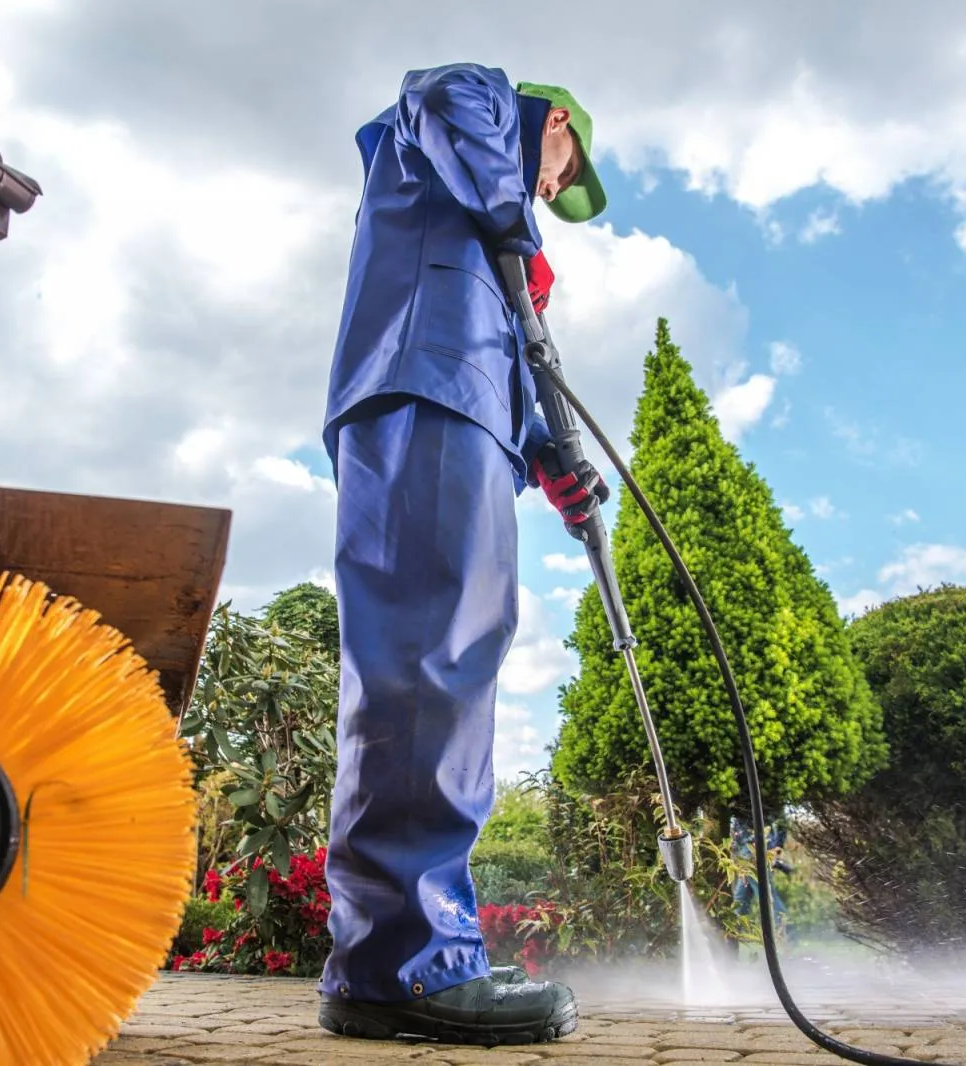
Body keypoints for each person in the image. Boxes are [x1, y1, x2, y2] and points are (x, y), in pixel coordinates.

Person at [316, 63, 609, 1045]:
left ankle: (395, 957)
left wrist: (552, 461)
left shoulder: (500, 247)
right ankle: (403, 962)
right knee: (427, 662)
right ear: (553, 123)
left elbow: (517, 374)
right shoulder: (473, 108)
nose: (546, 193)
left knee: (455, 660)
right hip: (422, 392)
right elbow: (436, 95)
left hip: (468, 415)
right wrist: (510, 217)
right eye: (557, 171)